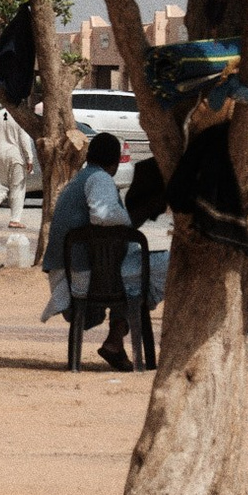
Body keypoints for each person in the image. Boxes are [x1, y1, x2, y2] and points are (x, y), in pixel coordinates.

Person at [40, 131, 152, 371]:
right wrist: (130, 223)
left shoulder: (79, 179)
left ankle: (115, 343)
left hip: (73, 270)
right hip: (85, 274)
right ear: (115, 162)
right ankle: (117, 341)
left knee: (131, 271)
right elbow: (103, 215)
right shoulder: (100, 179)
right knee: (152, 272)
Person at [0, 106, 37, 229]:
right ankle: (15, 220)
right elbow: (24, 138)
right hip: (15, 155)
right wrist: (29, 158)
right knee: (18, 187)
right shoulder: (19, 116)